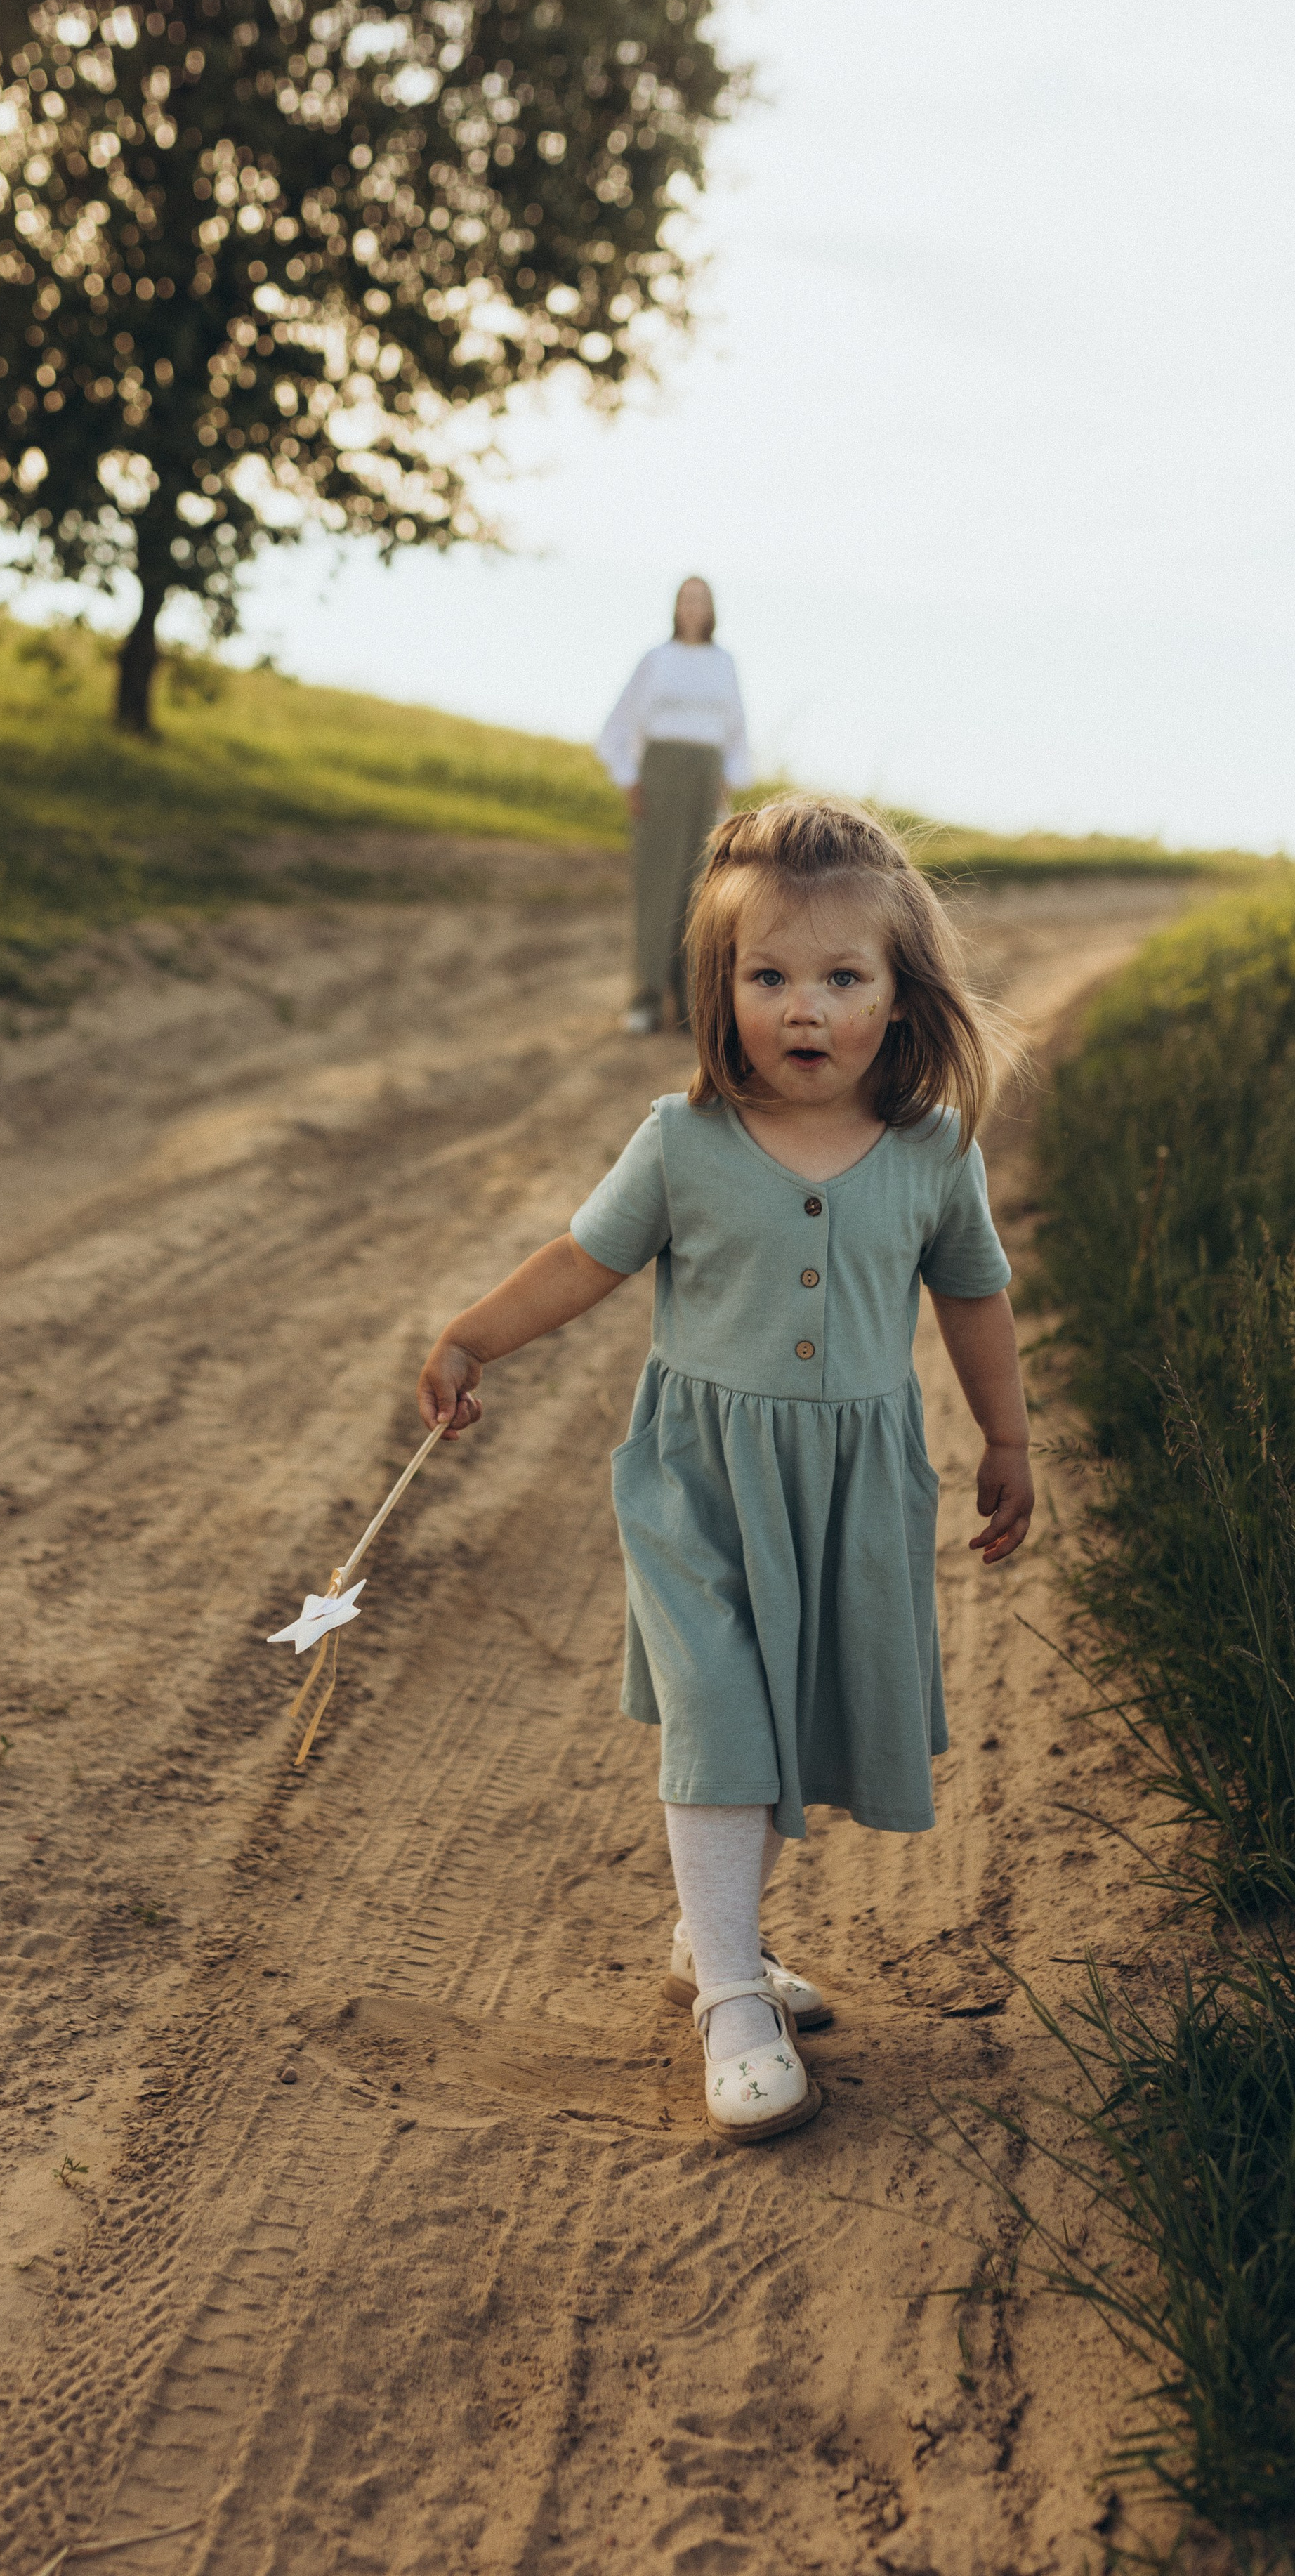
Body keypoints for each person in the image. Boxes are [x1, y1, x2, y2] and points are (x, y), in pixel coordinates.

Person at [416, 796, 1032, 2145]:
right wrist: (472, 1337)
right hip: (699, 1486)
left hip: (849, 1492)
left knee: (788, 1719)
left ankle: (714, 1940)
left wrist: (1009, 1437)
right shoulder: (682, 1140)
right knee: (721, 1716)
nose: (804, 1008)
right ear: (721, 986)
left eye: (842, 978)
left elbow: (975, 1299)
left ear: (901, 994)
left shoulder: (933, 1153)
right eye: (769, 977)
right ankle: (734, 2009)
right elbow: (583, 1261)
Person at [599, 575, 749, 1035]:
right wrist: (630, 779)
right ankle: (646, 999)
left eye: (701, 600)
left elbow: (738, 733)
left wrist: (727, 784)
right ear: (676, 607)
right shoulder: (656, 660)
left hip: (707, 779)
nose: (693, 608)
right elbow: (616, 728)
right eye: (686, 600)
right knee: (658, 890)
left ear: (712, 609)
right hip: (661, 776)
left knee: (700, 890)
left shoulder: (724, 663)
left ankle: (690, 1005)